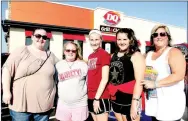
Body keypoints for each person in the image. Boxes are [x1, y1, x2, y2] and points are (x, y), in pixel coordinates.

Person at [2, 28, 59, 121]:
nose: (41, 39)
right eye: (38, 36)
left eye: (44, 37)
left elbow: (63, 68)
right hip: (21, 106)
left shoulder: (50, 55)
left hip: (44, 107)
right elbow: (7, 69)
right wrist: (6, 92)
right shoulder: (21, 50)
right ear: (32, 37)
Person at [141, 24, 186, 121]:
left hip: (170, 105)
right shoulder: (149, 54)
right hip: (153, 102)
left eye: (162, 34)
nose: (158, 37)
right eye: (155, 35)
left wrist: (155, 84)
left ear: (168, 37)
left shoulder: (173, 52)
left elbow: (179, 75)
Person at [108, 28, 145, 121]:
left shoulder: (136, 55)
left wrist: (135, 102)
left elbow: (139, 81)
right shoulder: (113, 56)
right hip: (115, 98)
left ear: (131, 40)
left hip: (130, 99)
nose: (121, 42)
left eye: (125, 39)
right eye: (119, 39)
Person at [55, 41, 88, 121]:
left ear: (76, 52)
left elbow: (88, 83)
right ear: (64, 51)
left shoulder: (83, 65)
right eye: (68, 50)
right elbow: (55, 82)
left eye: (73, 51)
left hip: (80, 104)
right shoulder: (58, 65)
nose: (70, 52)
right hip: (63, 104)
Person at [87, 29, 111, 121]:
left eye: (96, 39)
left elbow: (105, 79)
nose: (94, 42)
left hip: (100, 96)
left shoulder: (104, 54)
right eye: (92, 40)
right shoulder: (90, 56)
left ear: (101, 40)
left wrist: (97, 99)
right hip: (90, 95)